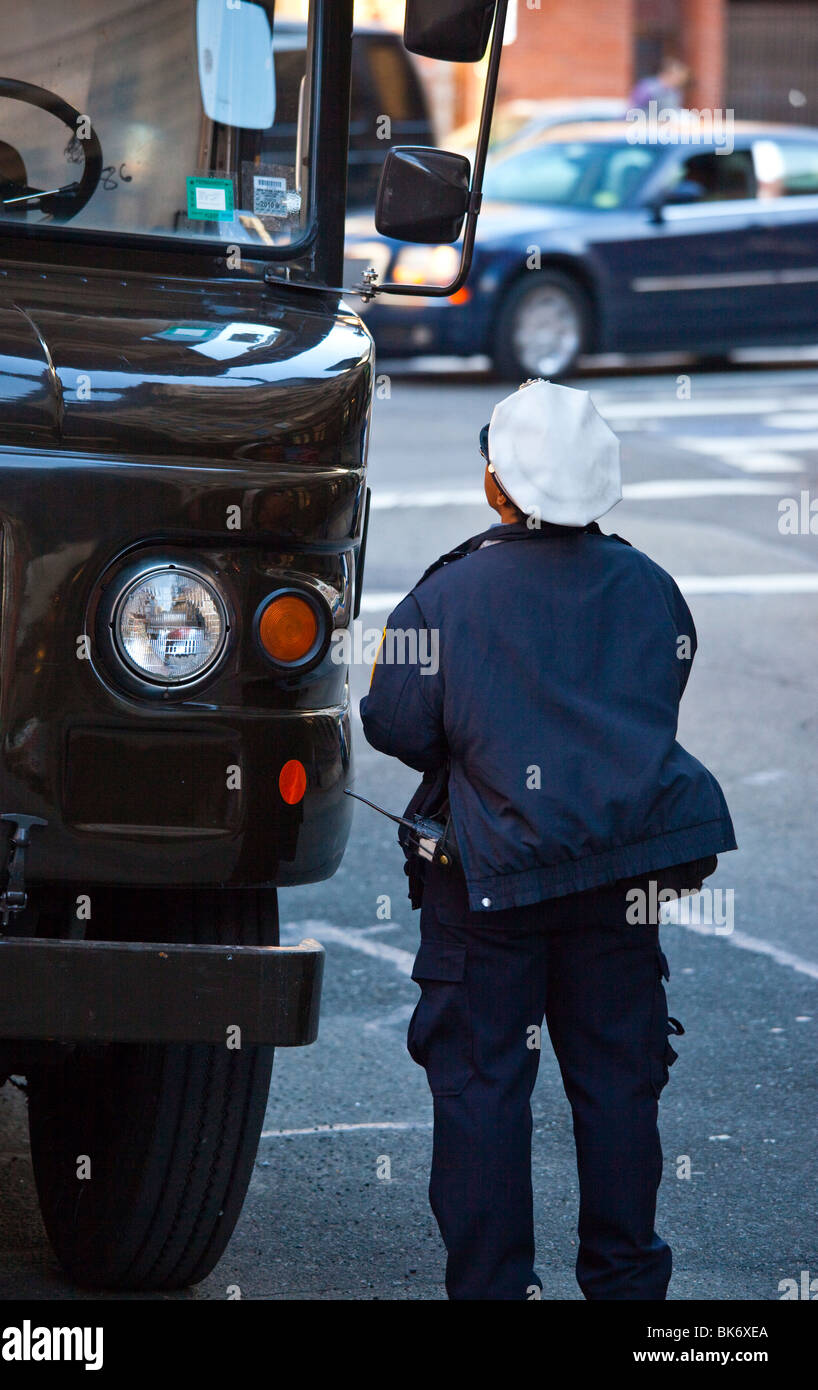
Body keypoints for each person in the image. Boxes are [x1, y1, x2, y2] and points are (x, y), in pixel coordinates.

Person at [359, 378, 736, 1301]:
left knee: (484, 1090)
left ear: (499, 487)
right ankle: (628, 1288)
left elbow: (394, 724)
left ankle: (493, 1290)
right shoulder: (653, 585)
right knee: (618, 1084)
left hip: (487, 883)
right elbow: (660, 692)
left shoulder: (448, 594)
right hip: (622, 876)